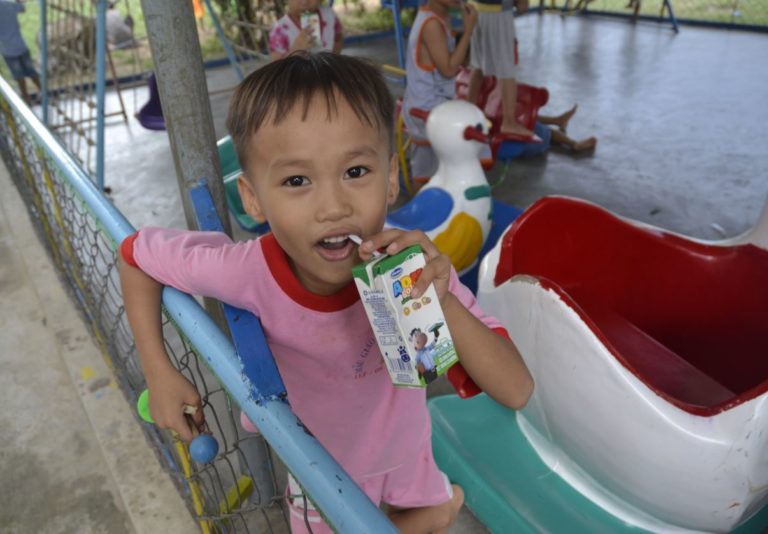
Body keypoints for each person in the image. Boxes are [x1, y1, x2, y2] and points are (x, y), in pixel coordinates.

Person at [119, 52, 533, 534]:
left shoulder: (413, 273)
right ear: (253, 198)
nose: (334, 206)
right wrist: (158, 371)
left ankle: (441, 504)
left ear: (392, 176)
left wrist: (439, 300)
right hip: (318, 468)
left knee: (431, 517)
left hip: (409, 450)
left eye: (356, 171)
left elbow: (516, 389)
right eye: (297, 180)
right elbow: (135, 255)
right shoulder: (243, 271)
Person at [402, 0, 477, 183]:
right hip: (426, 109)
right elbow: (449, 69)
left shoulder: (440, 18)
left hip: (433, 103)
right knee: (432, 177)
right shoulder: (432, 24)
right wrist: (468, 31)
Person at [466, 0, 533, 138]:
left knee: (478, 65)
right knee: (506, 68)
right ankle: (508, 122)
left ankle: (469, 109)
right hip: (497, 12)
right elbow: (522, 6)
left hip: (476, 10)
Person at [268, 0, 343, 60]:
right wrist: (295, 51)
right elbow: (277, 70)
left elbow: (338, 39)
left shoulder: (329, 15)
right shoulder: (279, 30)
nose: (304, 2)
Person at [0, 0, 40, 104]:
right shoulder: (8, 5)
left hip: (7, 51)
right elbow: (22, 8)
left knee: (19, 77)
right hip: (21, 46)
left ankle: (26, 99)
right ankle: (43, 92)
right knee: (32, 72)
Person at [522, 105, 598, 156]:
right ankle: (573, 143)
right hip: (530, 145)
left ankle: (558, 122)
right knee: (546, 131)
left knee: (521, 117)